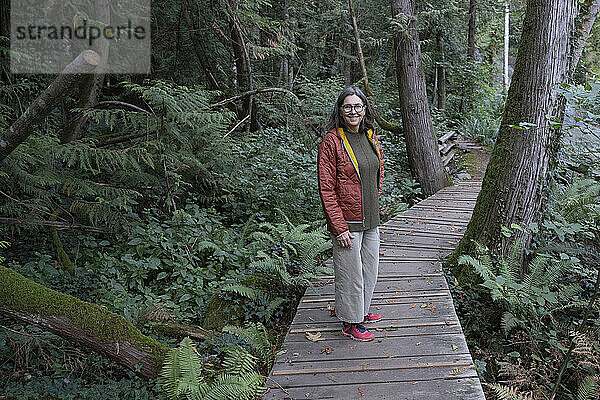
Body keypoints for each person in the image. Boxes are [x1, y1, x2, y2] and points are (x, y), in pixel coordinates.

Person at [317, 86, 384, 342]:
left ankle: (362, 312)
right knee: (350, 275)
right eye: (348, 106)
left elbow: (376, 172)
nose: (353, 111)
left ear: (364, 109)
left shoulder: (369, 135)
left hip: (371, 219)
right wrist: (338, 225)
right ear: (340, 110)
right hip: (347, 222)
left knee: (369, 269)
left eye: (357, 106)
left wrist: (373, 200)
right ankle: (350, 322)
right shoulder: (332, 141)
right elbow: (326, 187)